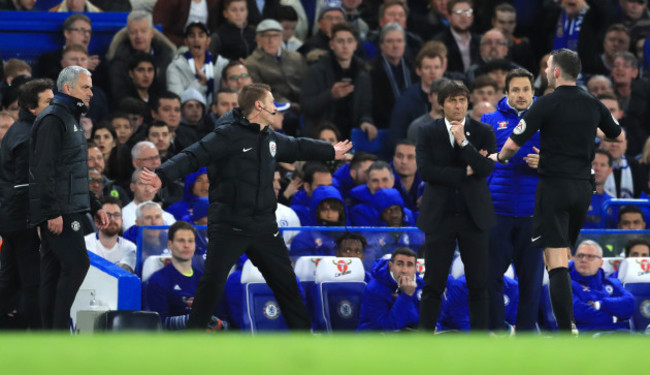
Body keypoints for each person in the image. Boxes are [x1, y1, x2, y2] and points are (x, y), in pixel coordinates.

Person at [139, 83, 352, 331]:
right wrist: (162, 176)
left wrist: (329, 150)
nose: (276, 109)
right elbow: (193, 155)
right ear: (259, 106)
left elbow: (296, 145)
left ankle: (303, 341)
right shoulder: (227, 135)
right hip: (229, 225)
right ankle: (193, 339)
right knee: (212, 285)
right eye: (272, 103)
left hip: (263, 226)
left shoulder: (269, 137)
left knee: (287, 285)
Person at [488, 48, 624, 333]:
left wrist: (498, 158)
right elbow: (615, 133)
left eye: (549, 67)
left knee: (556, 261)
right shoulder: (593, 103)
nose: (547, 72)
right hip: (584, 190)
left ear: (557, 72)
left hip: (554, 187)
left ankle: (567, 327)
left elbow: (513, 143)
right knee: (563, 251)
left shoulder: (546, 104)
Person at [28, 66, 109, 330]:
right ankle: (59, 328)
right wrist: (52, 211)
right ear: (67, 88)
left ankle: (50, 332)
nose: (91, 93)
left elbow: (72, 171)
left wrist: (94, 206)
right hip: (60, 209)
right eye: (85, 87)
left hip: (69, 206)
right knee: (77, 265)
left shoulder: (68, 117)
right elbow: (43, 169)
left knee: (53, 271)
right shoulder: (54, 118)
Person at [416, 81, 496, 331]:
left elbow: (485, 169)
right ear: (441, 104)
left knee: (479, 284)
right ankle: (425, 338)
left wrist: (464, 143)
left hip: (475, 217)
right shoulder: (427, 132)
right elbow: (426, 171)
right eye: (452, 100)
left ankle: (480, 342)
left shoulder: (484, 132)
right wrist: (465, 171)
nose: (458, 105)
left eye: (462, 100)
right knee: (433, 284)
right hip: (440, 217)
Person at [481, 68, 543, 333]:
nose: (521, 95)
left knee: (531, 282)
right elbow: (481, 162)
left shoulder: (547, 119)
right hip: (498, 212)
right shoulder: (489, 120)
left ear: (533, 92)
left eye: (526, 89)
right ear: (506, 93)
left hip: (533, 213)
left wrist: (546, 162)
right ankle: (496, 331)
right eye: (515, 89)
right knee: (489, 278)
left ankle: (526, 338)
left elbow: (567, 161)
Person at [0, 78, 54, 330]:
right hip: (23, 221)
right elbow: (23, 187)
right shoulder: (28, 137)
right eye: (49, 102)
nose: (54, 106)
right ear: (33, 107)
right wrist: (37, 222)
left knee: (9, 280)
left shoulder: (20, 130)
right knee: (32, 281)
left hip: (12, 219)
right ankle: (35, 335)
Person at [145, 221, 226, 330]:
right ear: (170, 245)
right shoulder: (158, 280)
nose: (186, 245)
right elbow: (158, 323)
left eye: (190, 241)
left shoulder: (206, 280)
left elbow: (223, 319)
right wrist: (194, 320)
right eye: (181, 240)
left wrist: (219, 325)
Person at [300, 22, 375, 140]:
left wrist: (366, 121)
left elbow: (366, 108)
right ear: (331, 44)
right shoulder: (316, 71)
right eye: (340, 41)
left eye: (349, 41)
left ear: (355, 45)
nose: (345, 46)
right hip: (321, 135)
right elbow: (306, 106)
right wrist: (330, 95)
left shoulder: (363, 74)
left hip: (351, 136)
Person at [570, 240, 635, 331]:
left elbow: (629, 304)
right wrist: (613, 318)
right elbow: (578, 312)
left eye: (590, 256)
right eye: (580, 256)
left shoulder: (612, 283)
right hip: (586, 335)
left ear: (600, 262)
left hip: (619, 333)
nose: (583, 259)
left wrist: (600, 304)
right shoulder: (566, 284)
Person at [358, 247, 424, 331]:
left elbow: (434, 320)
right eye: (400, 264)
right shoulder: (374, 289)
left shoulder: (421, 286)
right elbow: (388, 328)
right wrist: (405, 297)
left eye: (410, 265)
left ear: (415, 268)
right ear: (391, 266)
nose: (404, 270)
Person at [166, 21, 229, 104]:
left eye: (201, 35)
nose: (196, 40)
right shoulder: (175, 67)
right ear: (186, 41)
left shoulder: (221, 64)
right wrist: (200, 84)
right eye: (192, 36)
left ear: (208, 41)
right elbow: (176, 102)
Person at [84, 197, 136, 273]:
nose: (112, 219)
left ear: (121, 221)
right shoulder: (85, 244)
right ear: (97, 220)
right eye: (107, 215)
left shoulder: (130, 248)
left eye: (116, 215)